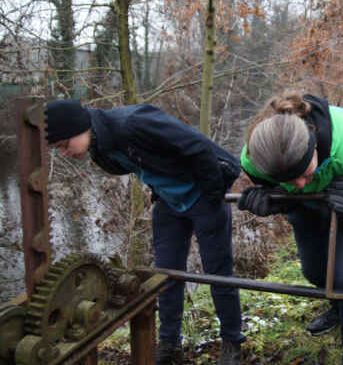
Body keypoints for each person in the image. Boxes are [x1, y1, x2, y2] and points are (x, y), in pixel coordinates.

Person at [44, 100, 246, 365]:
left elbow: (196, 146)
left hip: (204, 196)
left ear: (78, 127)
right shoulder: (100, 147)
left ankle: (232, 342)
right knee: (165, 275)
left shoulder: (132, 123)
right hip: (168, 202)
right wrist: (159, 191)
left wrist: (212, 196)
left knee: (218, 272)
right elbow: (147, 162)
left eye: (63, 144)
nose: (64, 153)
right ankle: (170, 344)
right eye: (58, 148)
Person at [236, 90, 343, 365]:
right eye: (291, 180)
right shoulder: (254, 159)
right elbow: (277, 192)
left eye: (305, 173)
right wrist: (275, 201)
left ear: (314, 147)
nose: (301, 185)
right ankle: (338, 308)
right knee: (314, 271)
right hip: (308, 204)